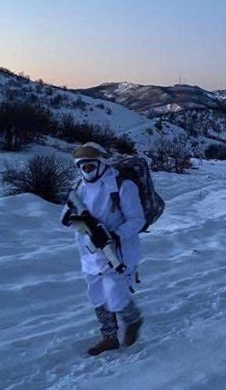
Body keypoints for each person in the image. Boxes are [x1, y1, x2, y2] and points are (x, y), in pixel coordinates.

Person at [61, 142, 146, 355]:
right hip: (90, 253)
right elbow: (66, 215)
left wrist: (115, 235)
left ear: (100, 163)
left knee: (115, 293)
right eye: (83, 167)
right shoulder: (79, 188)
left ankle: (132, 319)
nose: (87, 171)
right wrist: (75, 220)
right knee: (97, 296)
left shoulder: (123, 185)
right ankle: (109, 337)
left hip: (119, 252)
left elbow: (137, 219)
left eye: (90, 166)